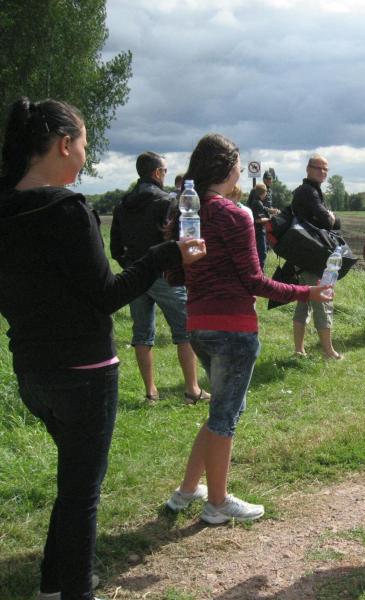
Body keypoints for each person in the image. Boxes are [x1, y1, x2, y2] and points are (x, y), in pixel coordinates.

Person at [0, 97, 205, 600]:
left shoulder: (6, 208)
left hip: (32, 371)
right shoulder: (67, 209)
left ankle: (55, 581)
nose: (85, 156)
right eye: (84, 144)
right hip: (85, 372)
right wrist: (165, 254)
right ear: (63, 144)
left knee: (73, 482)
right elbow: (107, 295)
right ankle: (72, 589)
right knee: (81, 492)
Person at [165, 134, 330, 524]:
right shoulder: (234, 214)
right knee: (225, 417)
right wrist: (306, 292)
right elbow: (255, 281)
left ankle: (186, 490)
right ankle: (217, 503)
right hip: (233, 329)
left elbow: (178, 271)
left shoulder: (188, 211)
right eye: (238, 163)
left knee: (220, 410)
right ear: (227, 167)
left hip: (198, 325)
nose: (241, 170)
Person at [110, 151, 208, 405]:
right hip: (164, 274)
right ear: (156, 173)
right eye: (164, 171)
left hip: (134, 275)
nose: (165, 175)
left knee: (142, 334)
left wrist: (131, 266)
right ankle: (192, 390)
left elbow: (115, 247)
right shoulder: (167, 201)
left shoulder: (122, 205)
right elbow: (178, 239)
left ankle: (150, 392)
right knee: (185, 331)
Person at [291, 154, 342, 359]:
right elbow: (328, 221)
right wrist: (331, 217)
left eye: (325, 169)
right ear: (308, 169)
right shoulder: (309, 192)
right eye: (318, 168)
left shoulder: (310, 191)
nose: (322, 172)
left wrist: (330, 218)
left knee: (304, 302)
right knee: (322, 300)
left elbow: (328, 220)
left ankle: (299, 350)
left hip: (302, 255)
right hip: (311, 257)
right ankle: (328, 351)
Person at [246, 182, 270, 270]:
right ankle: (260, 272)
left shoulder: (256, 202)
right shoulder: (258, 203)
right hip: (259, 232)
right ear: (263, 192)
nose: (266, 194)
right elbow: (258, 220)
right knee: (262, 254)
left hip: (257, 231)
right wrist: (270, 219)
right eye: (266, 192)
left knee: (259, 253)